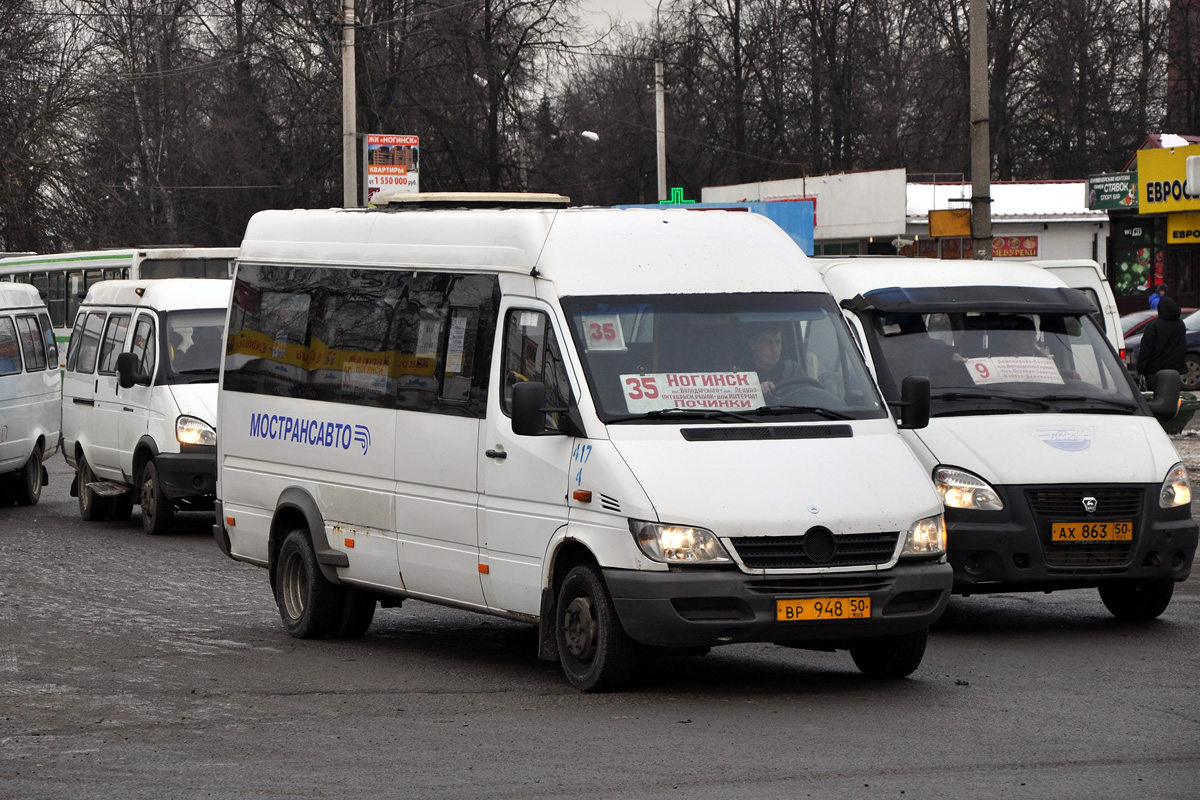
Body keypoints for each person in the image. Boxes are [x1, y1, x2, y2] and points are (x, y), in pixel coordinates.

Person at [1138, 296, 1187, 386]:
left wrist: (1141, 367)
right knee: (1171, 395)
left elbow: (1146, 348)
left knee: (1157, 395)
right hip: (1175, 370)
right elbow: (1181, 347)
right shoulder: (1180, 325)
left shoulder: (1154, 326)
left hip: (1155, 369)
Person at [746, 323, 804, 399]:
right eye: (768, 342)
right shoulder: (740, 374)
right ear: (753, 344)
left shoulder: (793, 371)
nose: (775, 349)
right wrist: (755, 390)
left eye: (778, 342)